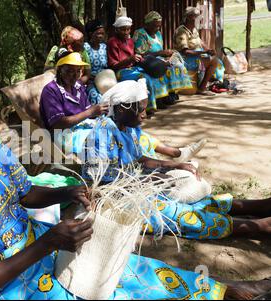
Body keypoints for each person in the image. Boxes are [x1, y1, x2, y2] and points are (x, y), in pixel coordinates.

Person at [0, 57, 271, 300]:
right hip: (12, 291)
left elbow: (25, 194)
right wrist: (46, 246)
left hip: (39, 250)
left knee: (133, 270)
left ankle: (227, 292)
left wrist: (66, 194)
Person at [84, 79, 271, 241]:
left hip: (136, 188)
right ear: (122, 107)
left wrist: (175, 165)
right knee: (180, 214)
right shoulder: (102, 134)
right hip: (114, 202)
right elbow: (102, 186)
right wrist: (149, 180)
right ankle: (258, 227)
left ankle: (254, 206)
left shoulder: (127, 127)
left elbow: (140, 159)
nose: (145, 114)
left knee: (195, 201)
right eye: (140, 110)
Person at [39, 50, 109, 155]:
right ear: (60, 70)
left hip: (83, 126)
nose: (75, 75)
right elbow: (57, 124)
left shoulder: (78, 86)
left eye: (78, 71)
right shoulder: (50, 90)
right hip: (64, 135)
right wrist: (90, 112)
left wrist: (100, 111)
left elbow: (88, 111)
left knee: (110, 127)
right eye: (70, 71)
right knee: (99, 139)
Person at [133, 11, 192, 106]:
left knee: (177, 66)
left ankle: (169, 94)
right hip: (146, 62)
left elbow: (160, 50)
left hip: (158, 59)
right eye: (154, 26)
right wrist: (160, 53)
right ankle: (159, 98)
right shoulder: (140, 34)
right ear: (147, 24)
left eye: (159, 26)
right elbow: (141, 55)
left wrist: (167, 55)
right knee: (160, 69)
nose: (157, 28)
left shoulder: (158, 34)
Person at [107, 16, 163, 115]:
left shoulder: (130, 42)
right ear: (116, 29)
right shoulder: (113, 42)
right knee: (144, 78)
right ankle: (145, 109)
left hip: (132, 68)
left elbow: (134, 59)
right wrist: (130, 59)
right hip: (120, 71)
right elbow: (113, 65)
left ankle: (154, 103)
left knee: (150, 74)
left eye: (128, 29)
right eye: (122, 29)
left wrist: (139, 59)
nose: (126, 32)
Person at [174, 7, 225, 96]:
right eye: (196, 16)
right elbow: (185, 51)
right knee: (214, 61)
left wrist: (208, 50)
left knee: (217, 61)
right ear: (189, 17)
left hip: (196, 56)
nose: (199, 18)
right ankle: (202, 88)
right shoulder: (181, 31)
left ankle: (210, 84)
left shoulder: (193, 29)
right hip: (186, 59)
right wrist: (204, 53)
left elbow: (200, 42)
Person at [83, 20, 109, 104]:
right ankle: (99, 115)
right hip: (90, 81)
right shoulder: (85, 47)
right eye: (98, 33)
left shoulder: (104, 47)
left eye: (102, 33)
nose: (101, 36)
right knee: (94, 94)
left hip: (105, 80)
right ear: (91, 34)